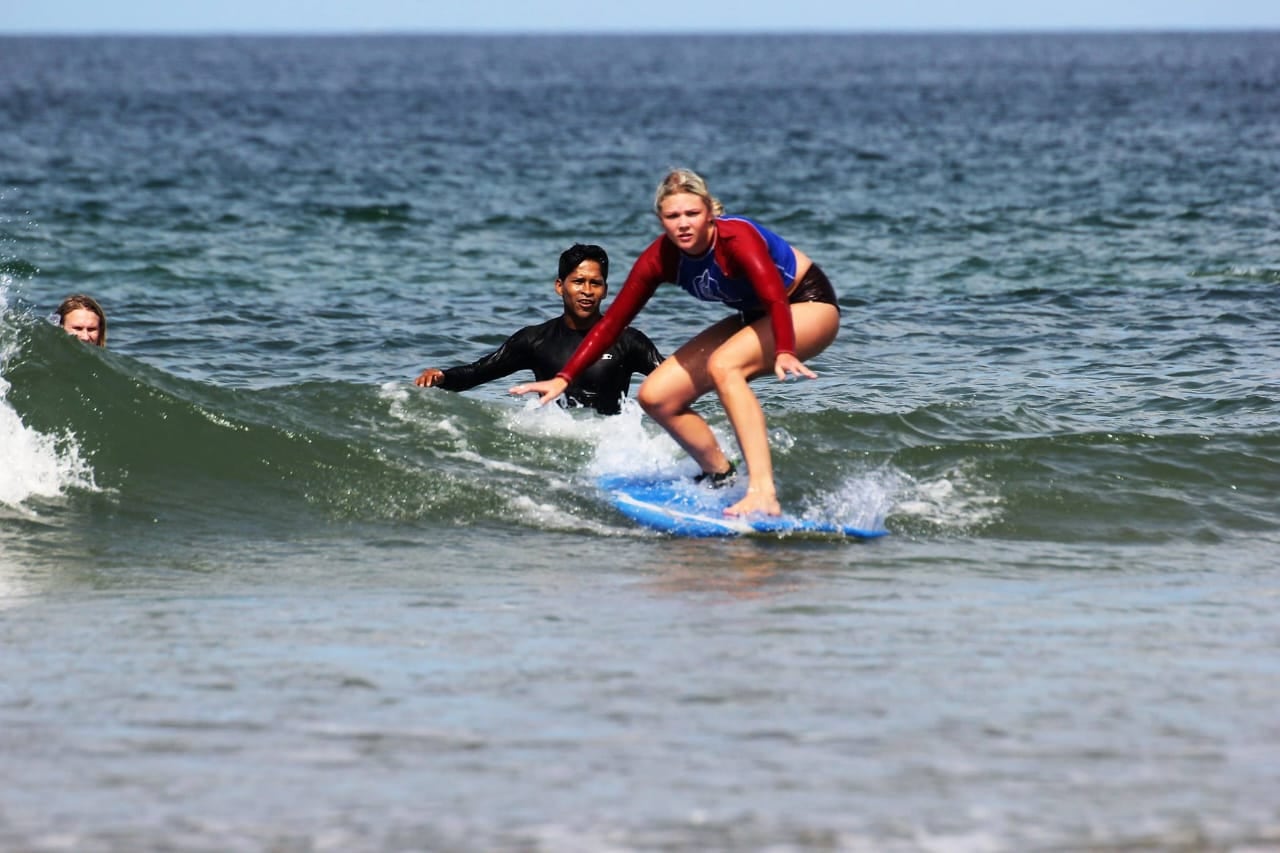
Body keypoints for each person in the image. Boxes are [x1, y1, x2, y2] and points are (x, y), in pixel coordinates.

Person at [512, 169, 841, 518]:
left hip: (806, 305)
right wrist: (565, 376)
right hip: (756, 316)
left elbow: (775, 295)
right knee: (657, 396)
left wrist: (785, 349)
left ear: (710, 212)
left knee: (723, 365)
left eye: (692, 214)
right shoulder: (662, 257)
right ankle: (721, 476)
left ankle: (764, 493)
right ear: (661, 219)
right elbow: (613, 322)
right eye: (672, 216)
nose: (683, 224)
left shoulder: (737, 239)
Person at [414, 243, 663, 416]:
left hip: (609, 446)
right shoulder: (535, 340)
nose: (587, 290)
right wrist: (442, 376)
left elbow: (675, 380)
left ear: (605, 290)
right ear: (559, 286)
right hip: (556, 442)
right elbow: (478, 373)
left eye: (595, 283)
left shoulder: (628, 341)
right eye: (578, 282)